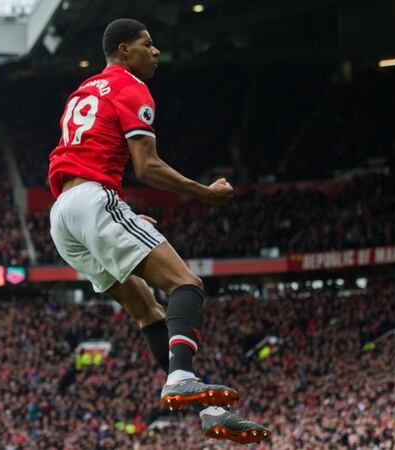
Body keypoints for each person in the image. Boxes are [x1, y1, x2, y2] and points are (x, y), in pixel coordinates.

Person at [47, 18, 270, 444]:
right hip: (95, 203)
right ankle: (182, 377)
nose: (156, 52)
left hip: (64, 216)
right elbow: (146, 167)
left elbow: (83, 156)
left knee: (148, 311)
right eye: (147, 44)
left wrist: (119, 219)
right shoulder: (131, 86)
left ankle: (208, 411)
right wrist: (203, 193)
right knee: (186, 282)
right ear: (124, 50)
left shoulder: (83, 90)